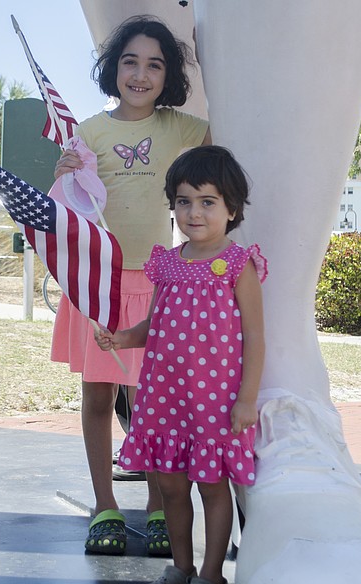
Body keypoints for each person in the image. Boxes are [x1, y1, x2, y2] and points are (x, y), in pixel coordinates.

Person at [52, 15, 211, 556]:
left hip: (159, 282)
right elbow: (68, 209)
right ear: (112, 67)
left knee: (154, 402)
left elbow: (222, 147)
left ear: (168, 76)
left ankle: (159, 507)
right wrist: (64, 170)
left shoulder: (182, 128)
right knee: (98, 396)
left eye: (154, 64)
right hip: (99, 283)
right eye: (130, 61)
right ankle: (104, 507)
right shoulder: (90, 132)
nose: (140, 74)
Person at [95, 145, 266, 584]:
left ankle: (211, 572)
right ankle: (181, 565)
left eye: (208, 202)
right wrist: (123, 337)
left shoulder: (238, 265)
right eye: (184, 201)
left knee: (212, 487)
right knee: (169, 486)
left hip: (214, 402)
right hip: (163, 397)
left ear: (232, 208)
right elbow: (154, 325)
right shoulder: (168, 263)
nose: (194, 212)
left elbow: (256, 338)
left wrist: (247, 399)